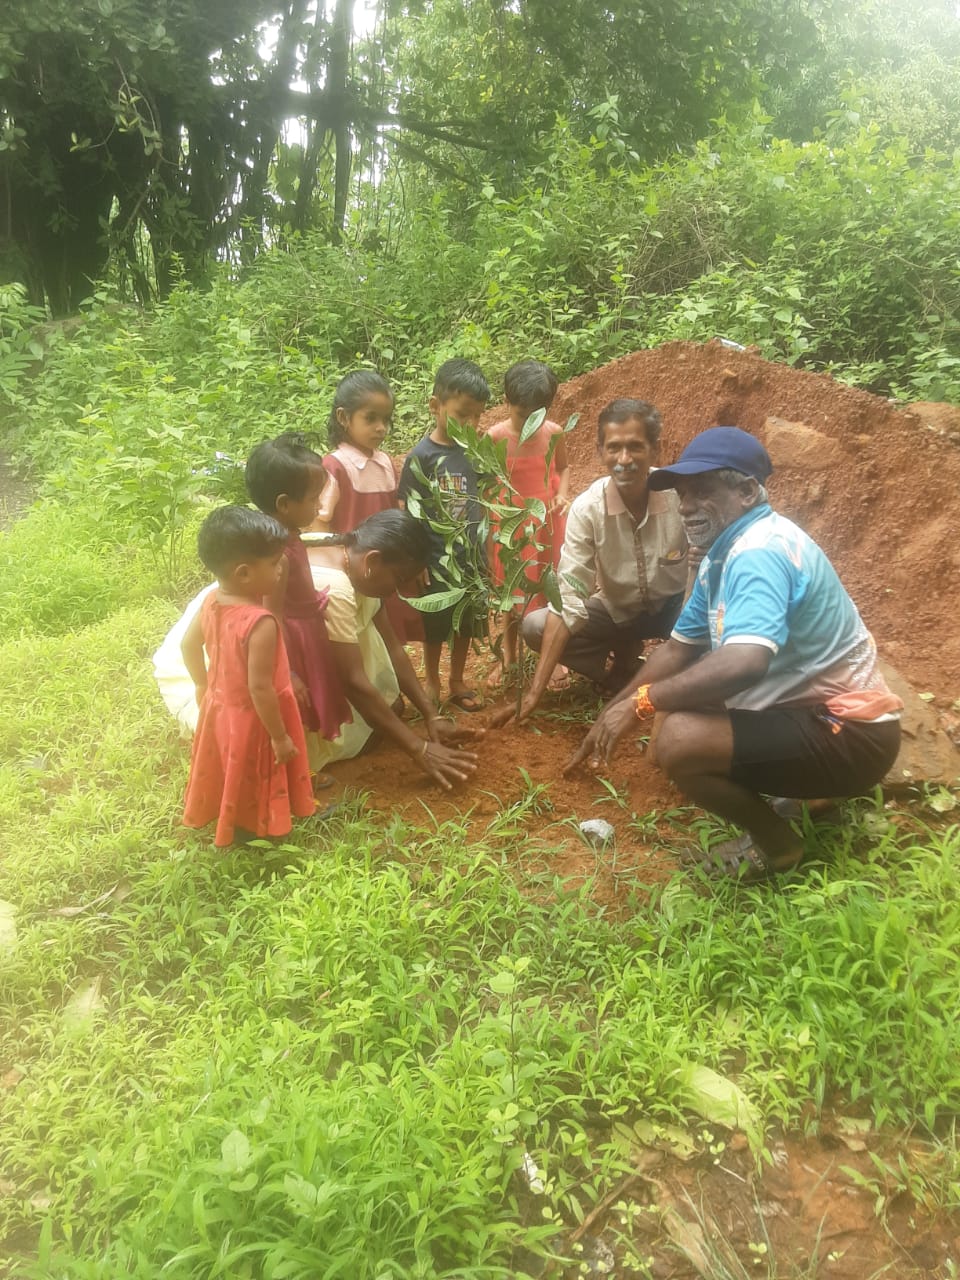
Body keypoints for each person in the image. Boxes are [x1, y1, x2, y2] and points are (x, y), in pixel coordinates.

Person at [566, 426, 903, 882]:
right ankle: (811, 797)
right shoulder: (723, 555)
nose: (686, 506)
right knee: (689, 696)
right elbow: (679, 649)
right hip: (821, 717)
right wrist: (616, 705)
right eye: (683, 494)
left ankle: (779, 847)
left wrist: (644, 703)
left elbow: (745, 662)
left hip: (850, 736)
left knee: (680, 740)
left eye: (702, 491)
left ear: (747, 491)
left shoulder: (757, 552)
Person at [492, 398, 689, 727]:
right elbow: (568, 597)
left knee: (714, 629)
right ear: (600, 452)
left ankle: (654, 677)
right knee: (536, 626)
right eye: (613, 448)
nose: (623, 460)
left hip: (676, 609)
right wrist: (533, 694)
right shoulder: (587, 509)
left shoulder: (679, 497)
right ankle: (625, 665)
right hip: (617, 609)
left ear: (655, 450)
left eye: (635, 447)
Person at [305, 509, 482, 790]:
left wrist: (430, 714)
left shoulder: (351, 551)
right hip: (291, 678)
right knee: (368, 726)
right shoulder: (336, 588)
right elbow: (352, 680)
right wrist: (419, 749)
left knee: (392, 709)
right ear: (373, 561)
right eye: (399, 579)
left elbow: (393, 647)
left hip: (329, 665)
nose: (399, 589)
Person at [181, 506, 315, 847]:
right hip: (256, 719)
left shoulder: (211, 601)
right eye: (273, 563)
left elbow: (188, 645)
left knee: (232, 766)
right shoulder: (261, 622)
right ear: (243, 574)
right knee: (261, 769)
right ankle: (265, 834)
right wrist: (280, 736)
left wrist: (201, 684)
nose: (281, 566)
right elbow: (260, 687)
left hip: (221, 709)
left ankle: (236, 823)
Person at [245, 433, 351, 755]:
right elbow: (272, 616)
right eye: (314, 499)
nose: (320, 506)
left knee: (302, 709)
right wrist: (286, 671)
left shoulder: (285, 535)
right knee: (297, 706)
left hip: (305, 630)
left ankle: (306, 774)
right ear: (284, 504)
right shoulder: (279, 556)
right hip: (294, 642)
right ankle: (300, 781)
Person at [398, 357, 491, 710]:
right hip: (436, 558)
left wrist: (485, 553)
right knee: (435, 625)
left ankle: (457, 681)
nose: (471, 423)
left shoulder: (474, 453)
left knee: (466, 623)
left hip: (469, 559)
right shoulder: (420, 457)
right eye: (462, 414)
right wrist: (415, 559)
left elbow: (483, 501)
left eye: (478, 416)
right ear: (436, 406)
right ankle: (433, 680)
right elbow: (406, 509)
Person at [308, 369, 421, 643]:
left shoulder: (385, 463)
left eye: (385, 419)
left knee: (389, 634)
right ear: (344, 418)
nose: (381, 427)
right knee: (359, 637)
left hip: (384, 569)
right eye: (371, 419)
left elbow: (396, 510)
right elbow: (319, 524)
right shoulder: (334, 466)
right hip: (353, 573)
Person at [485, 359, 571, 688]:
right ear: (506, 403)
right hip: (510, 528)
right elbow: (488, 481)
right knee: (512, 593)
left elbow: (562, 469)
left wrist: (562, 494)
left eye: (539, 415)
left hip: (547, 523)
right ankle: (508, 658)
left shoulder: (554, 433)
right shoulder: (494, 437)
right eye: (523, 415)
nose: (531, 423)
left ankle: (551, 658)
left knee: (549, 589)